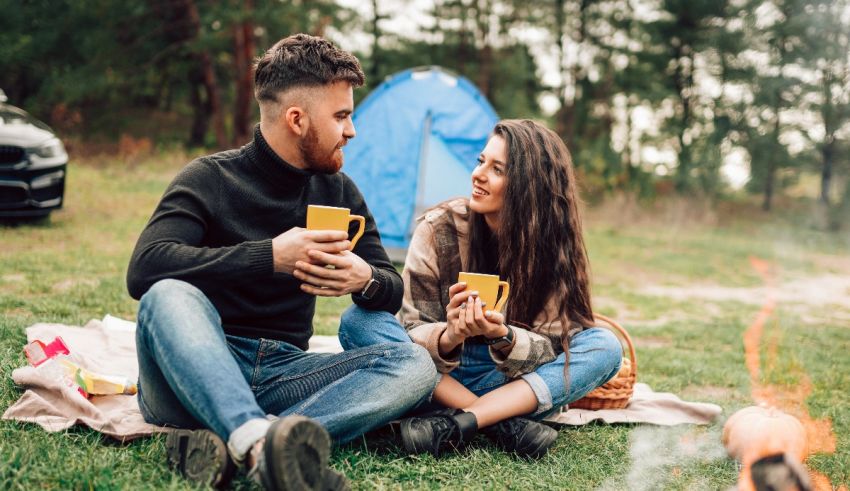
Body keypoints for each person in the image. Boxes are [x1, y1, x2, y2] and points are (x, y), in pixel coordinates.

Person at [126, 34, 438, 490]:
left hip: (284, 374)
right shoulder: (210, 177)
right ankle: (262, 441)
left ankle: (253, 442)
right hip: (192, 371)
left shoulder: (338, 191)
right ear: (296, 119)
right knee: (168, 295)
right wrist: (270, 256)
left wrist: (365, 278)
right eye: (341, 116)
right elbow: (145, 269)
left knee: (415, 366)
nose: (351, 131)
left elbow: (390, 290)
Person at [339, 119, 623, 459]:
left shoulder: (551, 245)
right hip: (439, 376)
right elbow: (411, 329)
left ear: (528, 186)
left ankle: (458, 421)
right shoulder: (439, 228)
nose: (478, 175)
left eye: (497, 169)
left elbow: (552, 346)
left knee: (605, 345)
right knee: (358, 321)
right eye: (480, 162)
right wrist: (450, 336)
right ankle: (498, 422)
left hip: (505, 377)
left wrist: (503, 336)